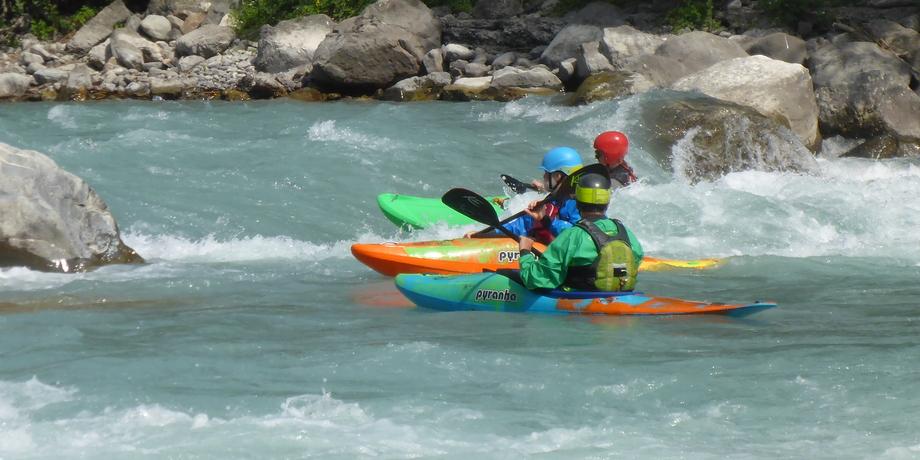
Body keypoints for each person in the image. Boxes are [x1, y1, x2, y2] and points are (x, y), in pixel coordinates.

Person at [517, 172, 643, 292]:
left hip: (581, 299)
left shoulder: (572, 236)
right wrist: (544, 219)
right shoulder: (627, 233)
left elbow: (535, 279)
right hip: (623, 296)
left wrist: (525, 252)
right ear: (607, 203)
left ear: (577, 203)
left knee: (506, 277)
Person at [467, 146, 583, 244]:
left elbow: (577, 235)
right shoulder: (552, 199)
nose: (543, 177)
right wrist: (485, 234)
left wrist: (546, 220)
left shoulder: (578, 203)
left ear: (558, 176)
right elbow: (522, 224)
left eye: (546, 173)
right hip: (543, 245)